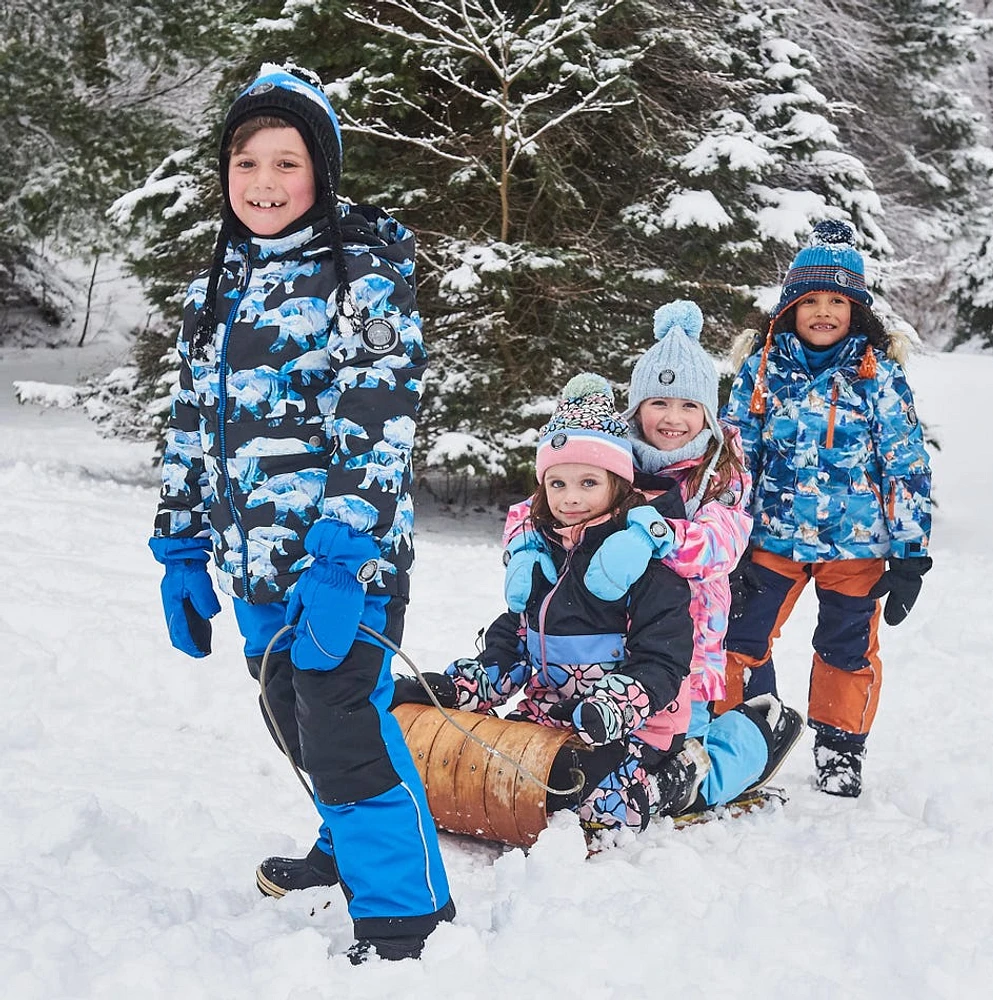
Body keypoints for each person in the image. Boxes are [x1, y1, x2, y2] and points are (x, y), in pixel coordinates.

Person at [147, 63, 454, 964]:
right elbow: (188, 429)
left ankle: (404, 911)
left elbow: (381, 417)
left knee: (344, 719)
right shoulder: (219, 289)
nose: (265, 183)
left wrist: (341, 550)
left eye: (288, 162)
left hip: (342, 562)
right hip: (255, 568)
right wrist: (179, 550)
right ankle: (346, 844)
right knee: (291, 710)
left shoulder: (361, 278)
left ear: (322, 171)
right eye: (247, 163)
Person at [501, 301, 804, 812]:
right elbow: (535, 505)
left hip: (687, 645)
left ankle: (756, 737)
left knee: (680, 771)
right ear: (637, 406)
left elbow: (721, 545)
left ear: (707, 412)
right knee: (603, 751)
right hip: (609, 647)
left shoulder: (719, 470)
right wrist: (524, 545)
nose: (673, 418)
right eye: (659, 402)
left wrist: (649, 534)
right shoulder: (609, 453)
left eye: (689, 406)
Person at [396, 373, 704, 832]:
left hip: (629, 727)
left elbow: (663, 659)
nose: (571, 498)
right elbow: (512, 646)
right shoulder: (542, 559)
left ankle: (673, 779)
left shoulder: (647, 568)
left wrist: (615, 706)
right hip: (548, 722)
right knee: (461, 771)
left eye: (587, 482)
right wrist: (457, 690)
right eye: (557, 484)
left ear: (617, 486)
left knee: (591, 807)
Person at [720, 219, 933, 798]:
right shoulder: (762, 369)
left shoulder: (878, 375)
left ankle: (839, 748)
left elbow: (904, 463)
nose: (822, 311)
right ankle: (746, 737)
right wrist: (725, 532)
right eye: (809, 299)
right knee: (739, 638)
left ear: (855, 309)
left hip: (857, 547)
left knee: (846, 646)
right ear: (789, 307)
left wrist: (911, 551)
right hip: (771, 540)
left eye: (836, 300)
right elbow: (737, 457)